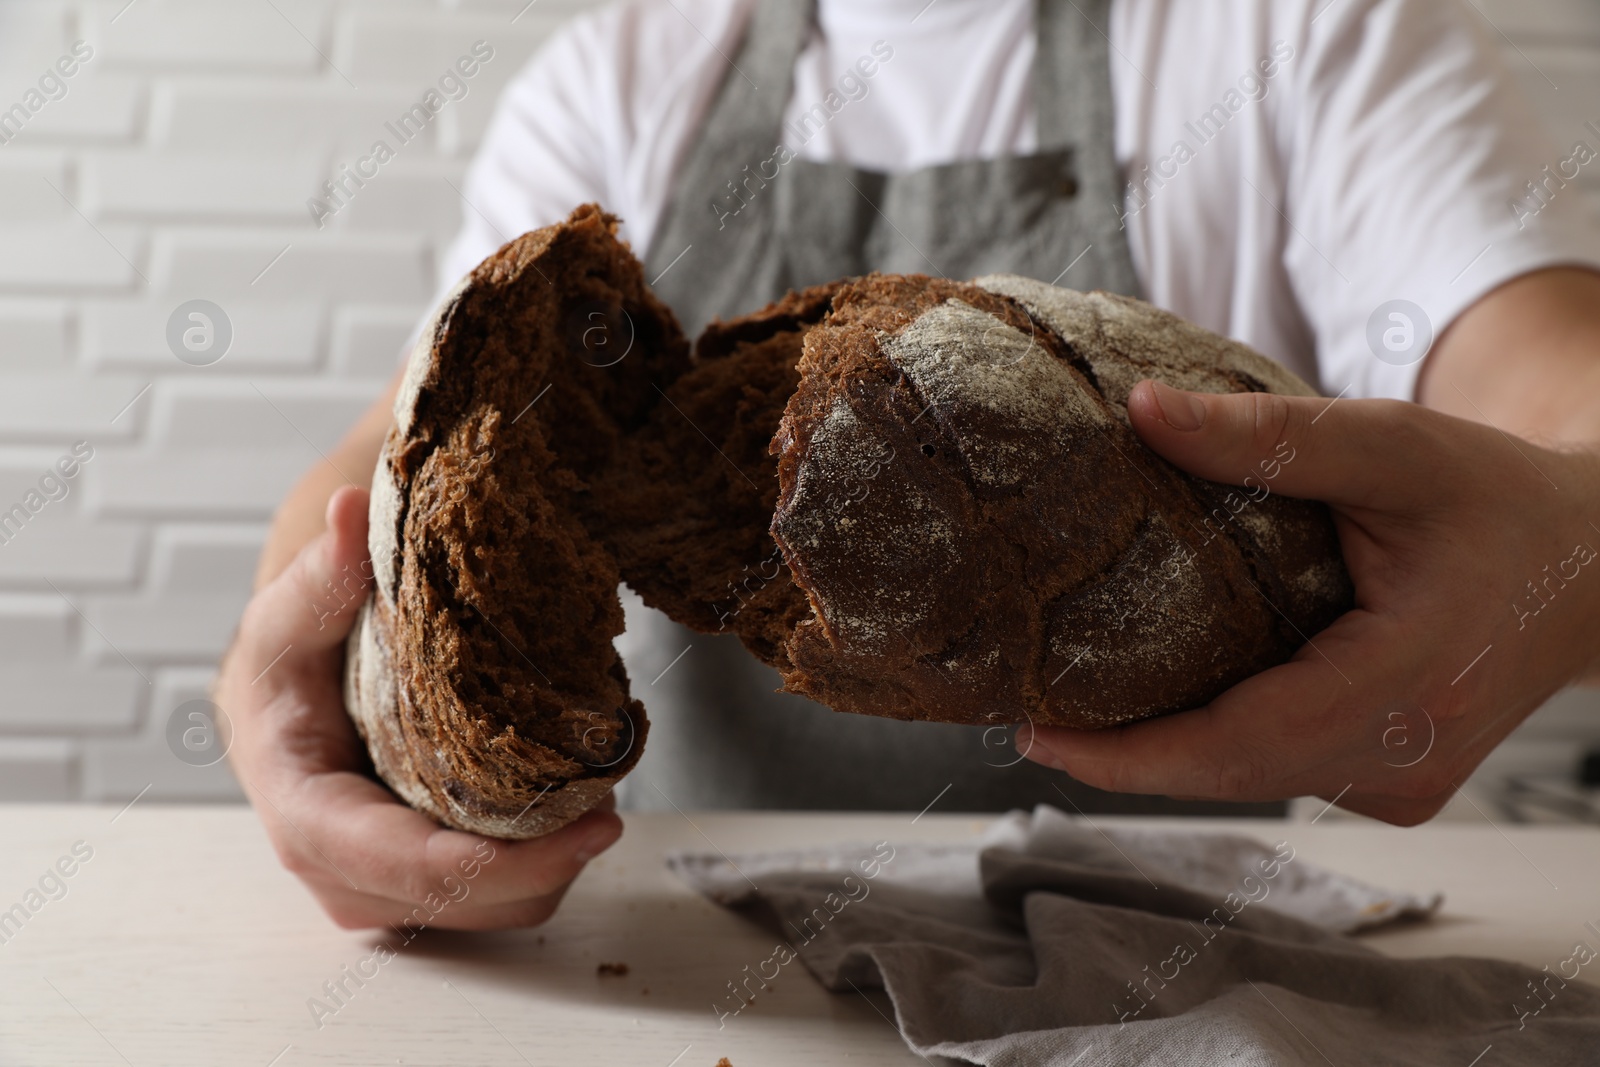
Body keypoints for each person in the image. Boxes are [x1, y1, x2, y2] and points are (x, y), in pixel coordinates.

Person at [216, 0, 1600, 929]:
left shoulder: (1306, 33)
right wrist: (302, 674)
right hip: (687, 957)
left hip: (1172, 967)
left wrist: (1566, 546)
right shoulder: (629, 66)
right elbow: (404, 450)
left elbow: (1563, 404)